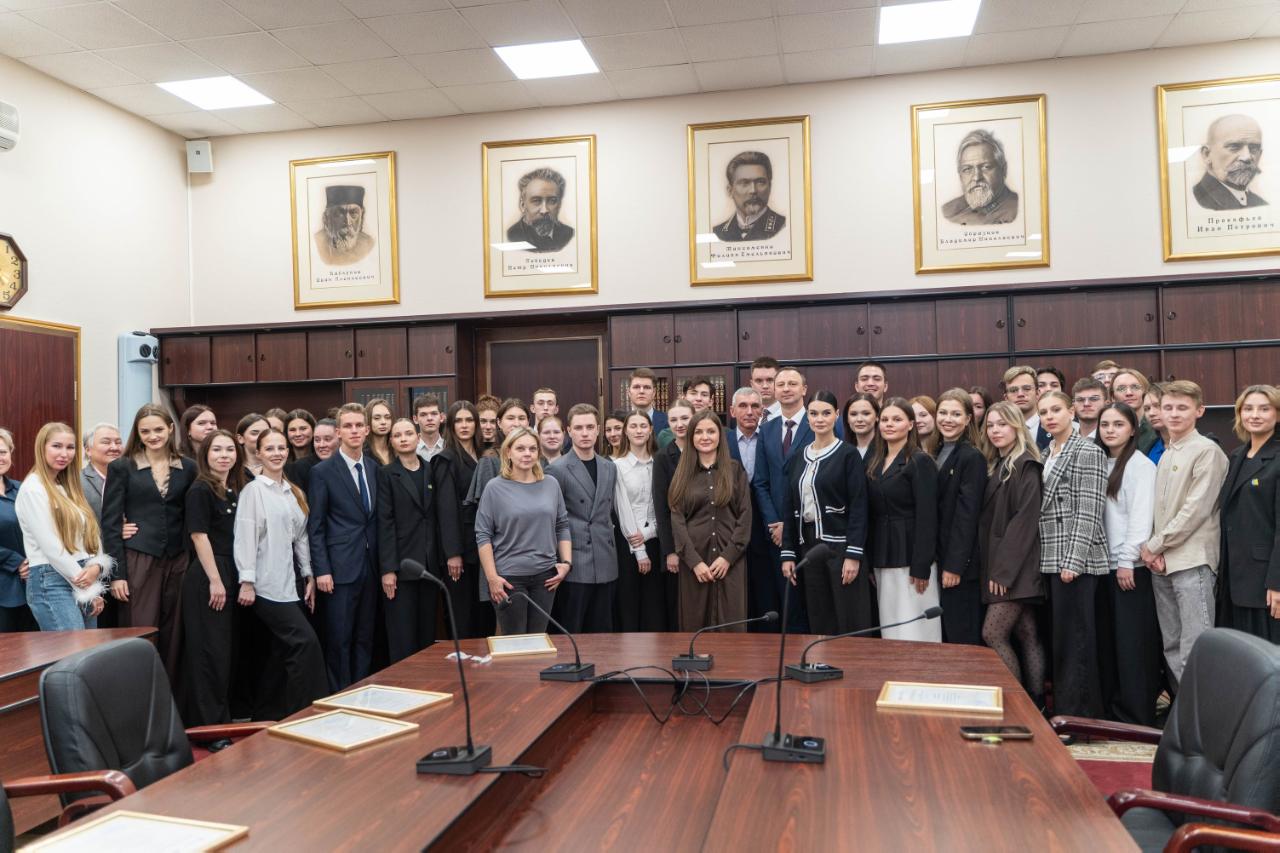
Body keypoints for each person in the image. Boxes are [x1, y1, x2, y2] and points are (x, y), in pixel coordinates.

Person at [1140, 380, 1229, 689]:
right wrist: (1157, 551)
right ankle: (1187, 710)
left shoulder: (1207, 451)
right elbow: (1159, 510)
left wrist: (1155, 545)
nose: (1174, 414)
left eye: (1182, 408)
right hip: (1162, 561)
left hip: (1192, 560)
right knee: (1173, 646)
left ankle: (1209, 714)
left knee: (1197, 645)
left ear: (1199, 411)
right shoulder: (1167, 452)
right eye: (1168, 407)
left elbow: (1196, 510)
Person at [234, 429, 327, 718]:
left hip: (291, 583)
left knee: (278, 652)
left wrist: (309, 575)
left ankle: (266, 716)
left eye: (281, 448)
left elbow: (301, 538)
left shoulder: (293, 491)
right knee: (305, 643)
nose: (277, 453)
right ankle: (304, 712)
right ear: (259, 453)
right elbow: (245, 536)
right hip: (264, 584)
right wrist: (246, 581)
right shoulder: (253, 491)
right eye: (270, 448)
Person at [102, 404, 197, 681]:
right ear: (137, 433)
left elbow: (192, 515)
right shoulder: (122, 467)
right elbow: (110, 524)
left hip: (178, 559)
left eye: (158, 429)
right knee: (140, 628)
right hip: (139, 557)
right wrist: (118, 575)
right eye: (145, 431)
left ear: (170, 429)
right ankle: (137, 690)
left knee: (175, 631)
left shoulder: (188, 467)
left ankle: (169, 694)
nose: (152, 436)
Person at [1036, 389, 1109, 718]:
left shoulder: (1087, 450)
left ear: (1071, 412)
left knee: (1076, 642)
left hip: (1075, 560)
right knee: (1061, 641)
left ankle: (1078, 719)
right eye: (1043, 412)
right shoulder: (1046, 452)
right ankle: (1067, 714)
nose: (1049, 417)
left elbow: (1089, 510)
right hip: (1051, 557)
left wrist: (1074, 561)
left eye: (1056, 410)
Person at [780, 391, 870, 635]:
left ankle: (854, 658)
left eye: (826, 413)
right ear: (807, 417)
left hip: (840, 545)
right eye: (814, 413)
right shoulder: (798, 457)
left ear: (837, 415)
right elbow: (789, 507)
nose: (819, 419)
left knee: (848, 614)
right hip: (808, 546)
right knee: (819, 614)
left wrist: (853, 554)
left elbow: (859, 506)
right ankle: (823, 658)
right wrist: (788, 553)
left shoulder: (848, 454)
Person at [1095, 402, 1162, 725]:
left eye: (1118, 424)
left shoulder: (1140, 465)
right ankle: (1114, 712)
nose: (1110, 430)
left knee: (1132, 646)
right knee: (1110, 645)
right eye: (1105, 424)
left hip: (1129, 569)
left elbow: (1141, 518)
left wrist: (1126, 560)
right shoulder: (1099, 461)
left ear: (1133, 429)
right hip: (1102, 567)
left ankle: (1137, 716)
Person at [977, 402, 1046, 706]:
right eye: (990, 425)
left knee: (993, 633)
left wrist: (1003, 572)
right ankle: (1037, 703)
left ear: (1017, 426)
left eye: (1002, 424)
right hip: (1006, 565)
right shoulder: (1000, 463)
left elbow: (1024, 521)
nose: (995, 430)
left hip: (1016, 568)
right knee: (1027, 633)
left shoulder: (1026, 464)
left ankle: (1020, 705)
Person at [308, 402, 380, 691]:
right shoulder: (322, 472)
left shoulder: (373, 468)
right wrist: (322, 569)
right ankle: (340, 694)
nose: (354, 431)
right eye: (348, 426)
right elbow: (316, 526)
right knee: (340, 639)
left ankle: (361, 691)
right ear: (338, 432)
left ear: (367, 430)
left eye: (359, 425)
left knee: (365, 636)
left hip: (370, 567)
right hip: (339, 570)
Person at [377, 418, 461, 663]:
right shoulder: (386, 474)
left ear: (417, 437)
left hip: (429, 565)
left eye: (408, 434)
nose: (403, 439)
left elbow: (440, 515)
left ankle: (424, 679)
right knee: (403, 635)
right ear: (391, 442)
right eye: (397, 435)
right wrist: (388, 569)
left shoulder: (430, 468)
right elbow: (385, 523)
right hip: (401, 566)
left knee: (427, 633)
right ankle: (402, 681)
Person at [475, 427, 572, 633]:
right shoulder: (494, 487)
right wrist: (492, 578)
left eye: (532, 449)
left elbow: (562, 525)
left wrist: (566, 564)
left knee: (538, 640)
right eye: (520, 448)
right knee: (515, 643)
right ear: (508, 452)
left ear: (538, 453)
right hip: (508, 579)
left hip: (546, 578)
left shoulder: (551, 484)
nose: (527, 454)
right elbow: (483, 535)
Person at [16, 423, 110, 630]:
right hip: (51, 579)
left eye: (70, 447)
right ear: (42, 448)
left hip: (81, 573)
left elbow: (90, 532)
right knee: (72, 649)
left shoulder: (68, 487)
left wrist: (96, 567)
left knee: (89, 649)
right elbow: (51, 547)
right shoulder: (33, 488)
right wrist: (86, 586)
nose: (64, 454)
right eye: (56, 446)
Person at [179, 429, 244, 726]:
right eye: (217, 450)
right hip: (209, 574)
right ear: (205, 455)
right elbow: (199, 536)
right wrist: (215, 581)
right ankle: (210, 727)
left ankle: (224, 719)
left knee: (225, 652)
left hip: (230, 570)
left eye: (229, 449)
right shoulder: (200, 489)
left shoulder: (232, 489)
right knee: (210, 653)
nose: (224, 455)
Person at [866, 397, 941, 642]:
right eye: (885, 419)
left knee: (916, 628)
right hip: (883, 555)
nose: (889, 424)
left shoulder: (920, 460)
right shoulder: (875, 461)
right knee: (891, 627)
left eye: (897, 419)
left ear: (910, 425)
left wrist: (921, 565)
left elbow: (928, 517)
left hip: (912, 558)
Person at [669, 411, 752, 630]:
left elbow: (745, 516)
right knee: (695, 623)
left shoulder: (735, 470)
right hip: (695, 564)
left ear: (720, 436)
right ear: (691, 437)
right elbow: (677, 521)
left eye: (711, 431)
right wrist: (694, 562)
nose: (705, 437)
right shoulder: (682, 474)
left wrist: (727, 557)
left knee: (732, 623)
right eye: (699, 432)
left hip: (730, 562)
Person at [547, 405, 619, 634]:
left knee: (603, 631)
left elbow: (608, 512)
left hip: (605, 558)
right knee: (573, 631)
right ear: (569, 431)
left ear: (598, 429)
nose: (585, 433)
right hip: (575, 561)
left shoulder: (609, 467)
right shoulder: (556, 469)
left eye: (590, 427)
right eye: (578, 428)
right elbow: (553, 520)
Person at [1217, 385, 1280, 642]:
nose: (1254, 415)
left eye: (1264, 409)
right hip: (1235, 576)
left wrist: (1277, 582)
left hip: (1266, 581)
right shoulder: (1237, 456)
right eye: (1248, 409)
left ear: (1277, 414)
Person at [933, 389, 987, 646]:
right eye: (943, 413)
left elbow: (967, 516)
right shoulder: (936, 451)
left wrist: (954, 566)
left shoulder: (972, 457)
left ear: (968, 419)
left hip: (959, 565)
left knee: (961, 635)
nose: (948, 419)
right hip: (938, 557)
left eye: (956, 414)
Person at [612, 410, 669, 632]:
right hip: (629, 545)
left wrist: (649, 533)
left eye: (643, 426)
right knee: (630, 604)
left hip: (657, 541)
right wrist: (639, 550)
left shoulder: (660, 463)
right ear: (625, 431)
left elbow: (661, 505)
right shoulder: (618, 466)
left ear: (651, 430)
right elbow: (623, 508)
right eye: (633, 426)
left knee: (654, 606)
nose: (638, 431)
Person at [433, 401, 484, 639]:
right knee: (462, 614)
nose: (464, 425)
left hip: (485, 543)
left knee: (483, 612)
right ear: (451, 425)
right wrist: (453, 553)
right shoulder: (446, 459)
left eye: (469, 420)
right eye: (458, 421)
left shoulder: (486, 455)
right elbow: (446, 509)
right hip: (460, 546)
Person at [728, 387, 775, 631]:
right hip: (730, 529)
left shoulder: (772, 437)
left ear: (762, 411)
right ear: (732, 411)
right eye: (743, 406)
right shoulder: (722, 440)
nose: (749, 411)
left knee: (766, 593)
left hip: (765, 529)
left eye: (755, 406)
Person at [653, 399, 693, 630]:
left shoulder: (705, 450)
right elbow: (661, 508)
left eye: (685, 418)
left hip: (703, 540)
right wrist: (670, 551)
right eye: (674, 420)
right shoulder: (662, 457)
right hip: (675, 544)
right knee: (677, 607)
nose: (680, 424)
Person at [941, 129, 1018, 225]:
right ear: (960, 176)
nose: (977, 177)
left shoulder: (1019, 210)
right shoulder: (948, 212)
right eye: (967, 169)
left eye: (986, 167)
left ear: (1003, 170)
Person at [1193, 114, 1266, 210]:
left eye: (1254, 148)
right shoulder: (1196, 201)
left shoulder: (1260, 204)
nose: (1247, 157)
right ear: (1207, 154)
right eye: (1234, 147)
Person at [466, 398, 531, 505]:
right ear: (499, 423)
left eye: (521, 418)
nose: (516, 423)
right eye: (510, 418)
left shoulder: (537, 456)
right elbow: (486, 505)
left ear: (528, 422)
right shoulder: (489, 460)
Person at [712, 151, 786, 242]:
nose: (753, 190)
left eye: (760, 182)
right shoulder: (717, 233)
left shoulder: (784, 226)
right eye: (744, 183)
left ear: (769, 187)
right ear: (730, 191)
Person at [0, 429, 33, 632]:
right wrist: (16, 561)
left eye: (3, 452)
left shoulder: (23, 489)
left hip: (32, 586)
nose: (0, 458)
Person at [507, 167, 574, 252]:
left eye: (552, 201)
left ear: (559, 205)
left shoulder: (569, 234)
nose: (544, 210)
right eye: (536, 201)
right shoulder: (511, 236)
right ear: (523, 205)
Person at [314, 185, 376, 265]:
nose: (347, 221)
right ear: (327, 217)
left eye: (353, 213)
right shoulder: (316, 243)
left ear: (362, 216)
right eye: (340, 213)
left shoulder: (369, 243)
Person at [80, 422, 123, 521]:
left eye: (118, 442)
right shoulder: (77, 482)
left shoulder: (132, 478)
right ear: (88, 450)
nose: (114, 447)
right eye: (106, 442)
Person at [657, 377, 715, 446]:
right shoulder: (666, 436)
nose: (698, 398)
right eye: (693, 393)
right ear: (683, 397)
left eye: (704, 395)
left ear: (711, 401)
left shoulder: (722, 433)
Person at [1111, 368, 1157, 454]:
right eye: (1121, 389)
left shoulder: (1157, 426)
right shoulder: (1108, 429)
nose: (1129, 393)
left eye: (1135, 387)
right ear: (1112, 397)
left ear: (1145, 391)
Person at [1003, 365, 1049, 451]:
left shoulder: (1053, 427)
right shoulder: (999, 431)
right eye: (1013, 390)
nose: (1020, 394)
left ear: (1037, 393)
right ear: (1006, 398)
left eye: (1027, 389)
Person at [287, 417, 336, 492]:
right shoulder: (300, 467)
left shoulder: (348, 463)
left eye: (327, 439)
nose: (322, 445)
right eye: (317, 440)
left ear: (340, 439)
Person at [626, 368, 668, 433]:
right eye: (636, 387)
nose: (641, 391)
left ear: (654, 392)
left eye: (647, 387)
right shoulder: (620, 422)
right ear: (629, 392)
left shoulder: (668, 421)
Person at [843, 393, 879, 459]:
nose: (859, 419)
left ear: (877, 416)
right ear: (847, 419)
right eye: (853, 414)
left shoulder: (887, 450)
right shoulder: (842, 452)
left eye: (866, 414)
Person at [235, 413, 270, 477]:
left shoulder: (280, 467)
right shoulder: (232, 469)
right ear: (240, 438)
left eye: (265, 433)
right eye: (254, 433)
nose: (261, 437)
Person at [1142, 384, 1170, 464]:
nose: (1151, 413)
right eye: (1147, 409)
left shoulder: (1195, 446)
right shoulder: (1150, 448)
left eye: (1157, 406)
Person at [413, 394, 445, 461]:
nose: (429, 418)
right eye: (423, 415)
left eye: (434, 413)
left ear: (442, 417)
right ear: (415, 419)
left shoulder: (449, 447)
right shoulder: (410, 449)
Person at [750, 356, 781, 422]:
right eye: (759, 381)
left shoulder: (791, 415)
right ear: (752, 384)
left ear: (779, 381)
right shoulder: (742, 416)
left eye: (770, 380)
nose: (765, 386)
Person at [365, 398, 394, 466]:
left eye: (387, 417)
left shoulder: (397, 450)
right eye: (377, 418)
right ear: (368, 420)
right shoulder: (362, 453)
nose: (383, 422)